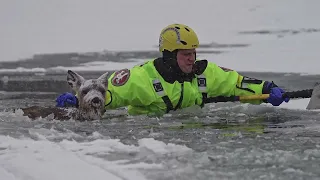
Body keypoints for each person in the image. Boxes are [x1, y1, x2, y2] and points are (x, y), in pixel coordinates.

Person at [56, 23, 290, 116]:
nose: (191, 59)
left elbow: (236, 82)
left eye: (193, 53)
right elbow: (111, 95)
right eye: (185, 54)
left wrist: (268, 89)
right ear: (169, 56)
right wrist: (78, 101)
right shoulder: (141, 78)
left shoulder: (204, 73)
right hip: (152, 142)